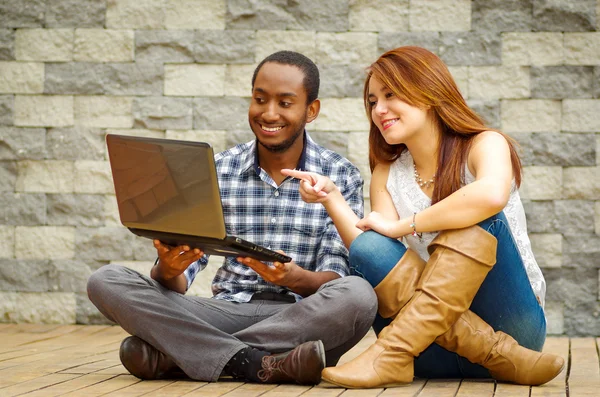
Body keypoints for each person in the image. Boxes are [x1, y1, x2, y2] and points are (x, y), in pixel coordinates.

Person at [87, 50, 377, 385]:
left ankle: (181, 355)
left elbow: (334, 278)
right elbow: (175, 285)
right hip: (223, 312)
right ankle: (260, 362)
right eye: (259, 99)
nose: (269, 113)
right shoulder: (218, 169)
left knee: (358, 295)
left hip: (299, 315)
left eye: (285, 103)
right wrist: (168, 268)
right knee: (105, 280)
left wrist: (292, 278)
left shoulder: (340, 175)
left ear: (311, 110)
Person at [282, 46, 565, 388]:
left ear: (429, 93)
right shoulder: (387, 172)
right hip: (431, 349)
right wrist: (332, 199)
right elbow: (373, 256)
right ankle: (488, 353)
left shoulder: (484, 144)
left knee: (480, 219)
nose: (379, 110)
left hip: (513, 327)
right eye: (372, 101)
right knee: (370, 247)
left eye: (391, 94)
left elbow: (491, 195)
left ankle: (391, 353)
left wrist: (405, 225)